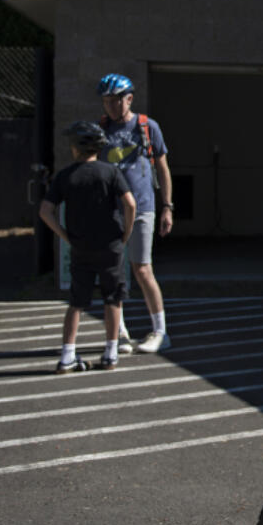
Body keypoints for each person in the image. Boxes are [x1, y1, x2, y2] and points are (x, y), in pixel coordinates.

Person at [39, 122, 137, 373]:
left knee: (77, 302)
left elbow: (45, 211)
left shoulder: (65, 176)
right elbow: (130, 204)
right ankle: (110, 353)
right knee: (113, 299)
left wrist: (64, 235)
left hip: (81, 245)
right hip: (111, 244)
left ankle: (67, 355)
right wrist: (125, 233)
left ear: (76, 147)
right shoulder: (111, 172)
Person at [96, 73, 173, 354]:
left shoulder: (147, 126)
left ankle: (160, 331)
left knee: (142, 268)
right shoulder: (101, 129)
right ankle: (120, 331)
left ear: (129, 98)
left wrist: (167, 206)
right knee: (116, 271)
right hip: (110, 210)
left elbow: (163, 168)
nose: (112, 106)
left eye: (117, 100)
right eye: (107, 101)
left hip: (142, 207)